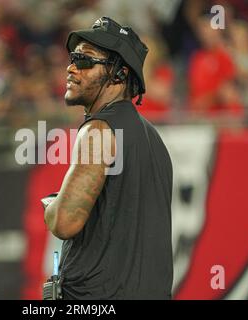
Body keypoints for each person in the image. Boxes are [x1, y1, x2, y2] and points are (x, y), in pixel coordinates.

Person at [42, 17, 173, 299]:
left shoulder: (98, 130)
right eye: (72, 58)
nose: (71, 67)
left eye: (85, 60)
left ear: (119, 74)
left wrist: (52, 205)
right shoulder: (155, 140)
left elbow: (64, 221)